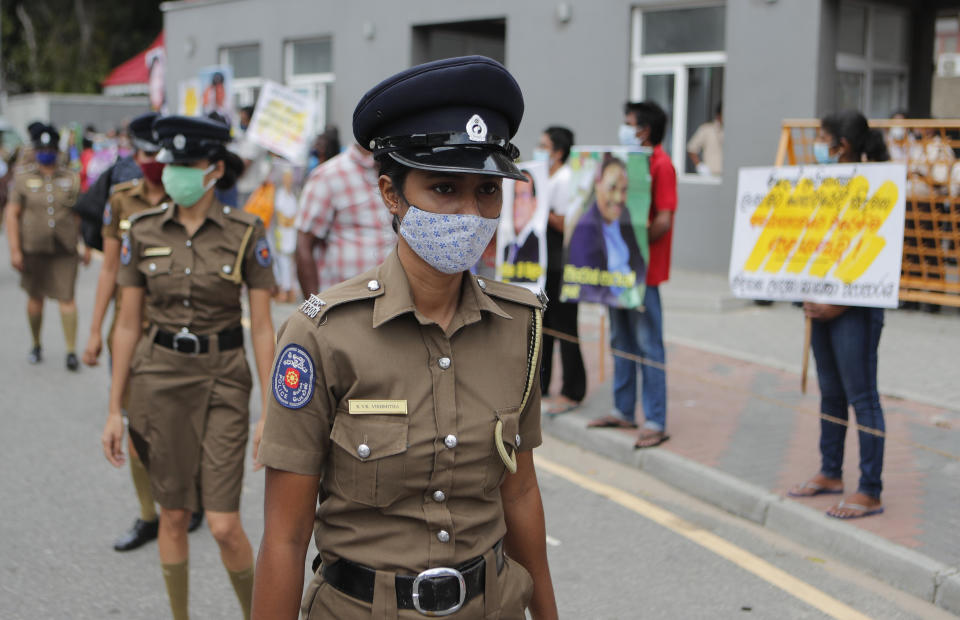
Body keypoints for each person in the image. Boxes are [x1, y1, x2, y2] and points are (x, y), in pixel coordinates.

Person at [252, 55, 559, 620]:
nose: (471, 213)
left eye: (488, 191)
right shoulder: (323, 335)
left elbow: (519, 494)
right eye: (444, 188)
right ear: (391, 194)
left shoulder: (521, 327)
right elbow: (285, 538)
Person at [101, 115, 277, 620]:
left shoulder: (247, 232)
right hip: (157, 379)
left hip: (223, 376)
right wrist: (115, 409)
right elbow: (128, 326)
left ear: (215, 170)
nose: (175, 172)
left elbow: (263, 328)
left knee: (223, 525)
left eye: (188, 163)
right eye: (171, 162)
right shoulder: (141, 228)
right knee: (173, 516)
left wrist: (269, 411)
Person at [81, 113, 205, 551]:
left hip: (181, 329)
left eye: (160, 154)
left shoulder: (190, 198)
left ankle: (192, 496)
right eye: (146, 153)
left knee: (187, 423)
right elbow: (109, 269)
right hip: (131, 330)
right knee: (134, 430)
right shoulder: (121, 200)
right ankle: (150, 514)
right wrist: (94, 330)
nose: (153, 161)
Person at [788, 110, 889, 520]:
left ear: (841, 145)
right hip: (820, 307)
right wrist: (805, 297)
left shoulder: (877, 188)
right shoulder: (818, 183)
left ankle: (871, 489)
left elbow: (878, 258)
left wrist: (840, 304)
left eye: (821, 138)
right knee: (830, 392)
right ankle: (831, 472)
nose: (816, 145)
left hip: (855, 313)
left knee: (862, 397)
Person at [588, 101, 676, 450]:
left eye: (628, 123)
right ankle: (623, 409)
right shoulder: (626, 162)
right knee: (620, 341)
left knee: (648, 345)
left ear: (644, 130)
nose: (623, 128)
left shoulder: (661, 165)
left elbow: (664, 219)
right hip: (618, 271)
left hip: (644, 274)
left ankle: (656, 420)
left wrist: (633, 246)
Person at [5, 122, 89, 370]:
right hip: (34, 249)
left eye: (51, 148)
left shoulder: (70, 178)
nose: (47, 153)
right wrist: (15, 250)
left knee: (67, 298)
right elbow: (12, 214)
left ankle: (71, 351)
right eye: (43, 148)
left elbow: (78, 215)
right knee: (35, 298)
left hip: (65, 249)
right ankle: (36, 343)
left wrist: (84, 245)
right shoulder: (23, 179)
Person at [294, 140, 394, 296]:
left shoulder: (400, 170)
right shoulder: (329, 175)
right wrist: (315, 312)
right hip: (343, 305)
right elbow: (303, 246)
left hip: (392, 301)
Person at [534, 126, 586, 413]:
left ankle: (573, 389)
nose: (539, 149)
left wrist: (541, 210)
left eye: (544, 145)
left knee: (565, 326)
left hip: (563, 263)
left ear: (558, 151)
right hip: (546, 264)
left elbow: (565, 222)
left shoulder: (565, 178)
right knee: (545, 326)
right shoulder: (546, 176)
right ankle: (542, 385)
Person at [566, 156, 645, 306]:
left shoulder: (624, 215)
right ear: (598, 185)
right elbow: (588, 285)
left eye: (623, 190)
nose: (618, 198)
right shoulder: (586, 228)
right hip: (612, 301)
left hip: (631, 297)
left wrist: (636, 291)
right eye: (612, 188)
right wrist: (619, 301)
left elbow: (638, 261)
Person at [501, 169, 542, 284]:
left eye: (523, 195)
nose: (518, 202)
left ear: (534, 204)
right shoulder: (506, 249)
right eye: (515, 195)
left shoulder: (537, 246)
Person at [273, 166, 300, 303]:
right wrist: (290, 220)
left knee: (291, 263)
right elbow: (281, 218)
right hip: (283, 233)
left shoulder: (293, 194)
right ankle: (283, 290)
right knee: (282, 262)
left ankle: (291, 291)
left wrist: (291, 220)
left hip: (292, 233)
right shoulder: (280, 194)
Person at [686, 102, 723, 176]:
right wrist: (700, 166)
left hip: (727, 175)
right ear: (719, 115)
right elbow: (691, 148)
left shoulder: (731, 131)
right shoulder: (707, 129)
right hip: (710, 175)